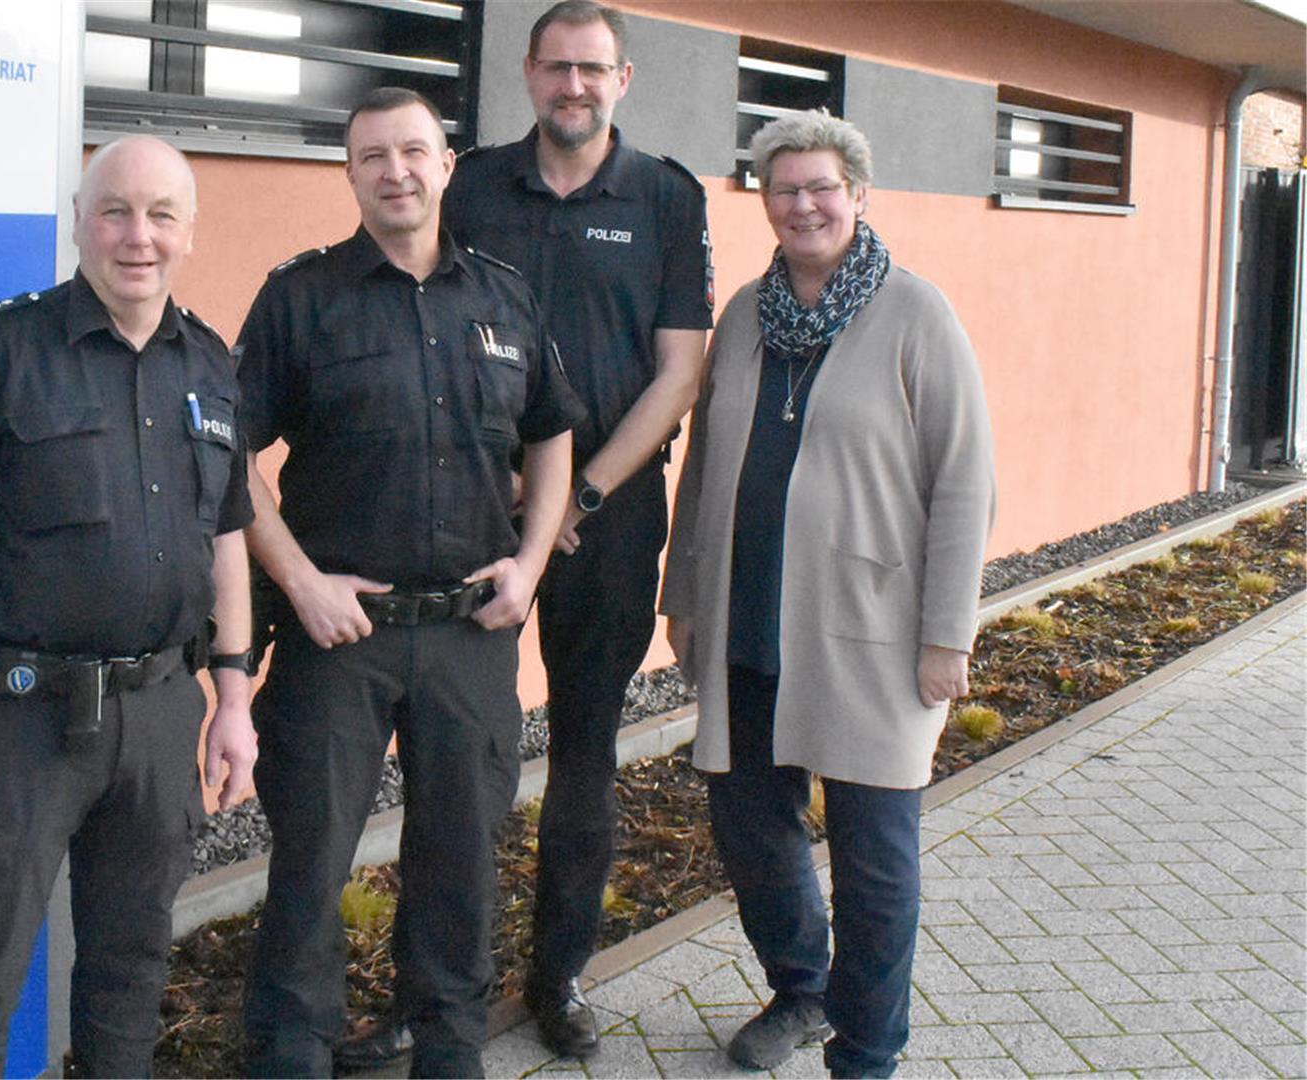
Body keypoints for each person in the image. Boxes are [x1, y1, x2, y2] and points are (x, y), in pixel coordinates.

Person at [0, 135, 259, 1078]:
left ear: (190, 233)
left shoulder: (207, 364)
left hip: (162, 715)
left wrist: (234, 701)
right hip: (15, 723)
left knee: (129, 977)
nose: (138, 236)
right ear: (77, 220)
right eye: (114, 210)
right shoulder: (2, 350)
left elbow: (230, 541)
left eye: (162, 215)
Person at [235, 87, 585, 1078]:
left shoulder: (505, 296)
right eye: (373, 156)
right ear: (350, 174)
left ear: (446, 164)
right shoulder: (301, 299)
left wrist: (528, 561)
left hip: (472, 632)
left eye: (414, 152)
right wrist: (298, 580)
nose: (396, 171)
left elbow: (552, 432)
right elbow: (226, 453)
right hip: (335, 636)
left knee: (461, 867)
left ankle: (449, 1052)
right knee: (308, 866)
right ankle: (290, 1057)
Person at [658, 111, 995, 1079]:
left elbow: (965, 478)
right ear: (763, 202)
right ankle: (804, 984)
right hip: (748, 624)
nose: (802, 204)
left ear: (857, 195)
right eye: (783, 188)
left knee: (875, 861)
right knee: (749, 829)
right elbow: (709, 464)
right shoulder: (743, 319)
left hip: (875, 637)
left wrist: (947, 633)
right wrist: (684, 597)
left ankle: (867, 1051)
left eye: (820, 187)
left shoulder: (915, 315)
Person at [433, 1, 714, 1060]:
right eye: (557, 68)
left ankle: (560, 974)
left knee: (586, 755)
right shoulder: (468, 187)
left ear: (623, 79)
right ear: (527, 72)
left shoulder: (663, 197)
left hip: (609, 515)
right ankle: (448, 983)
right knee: (463, 753)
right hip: (474, 513)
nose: (574, 87)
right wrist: (512, 488)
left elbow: (679, 369)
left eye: (593, 69)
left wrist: (579, 497)